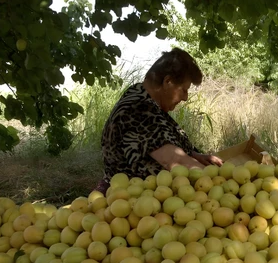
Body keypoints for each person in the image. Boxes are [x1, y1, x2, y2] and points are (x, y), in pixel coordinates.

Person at [95, 48, 223, 193]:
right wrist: (223, 181)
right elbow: (175, 161)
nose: (185, 97)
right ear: (168, 82)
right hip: (133, 199)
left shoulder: (146, 100)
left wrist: (194, 155)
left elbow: (164, 142)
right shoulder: (137, 110)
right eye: (184, 90)